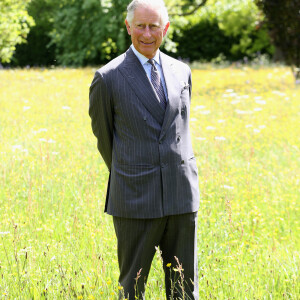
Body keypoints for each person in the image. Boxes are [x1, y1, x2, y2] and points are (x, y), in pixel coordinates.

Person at [89, 0, 199, 299]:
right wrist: (132, 171)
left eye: (154, 26)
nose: (147, 33)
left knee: (184, 290)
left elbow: (182, 128)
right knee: (132, 291)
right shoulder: (107, 78)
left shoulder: (182, 71)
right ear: (128, 27)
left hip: (180, 195)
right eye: (140, 26)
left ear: (165, 28)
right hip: (135, 197)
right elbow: (104, 139)